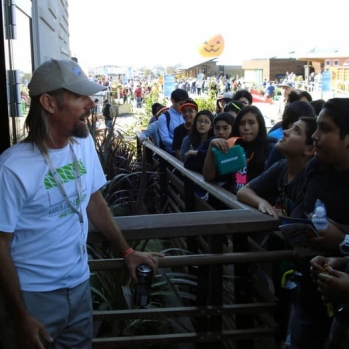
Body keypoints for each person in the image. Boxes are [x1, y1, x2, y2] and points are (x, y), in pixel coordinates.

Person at [0, 59, 162, 349]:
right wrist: (20, 315)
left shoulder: (82, 143)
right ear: (49, 103)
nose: (91, 103)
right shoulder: (12, 168)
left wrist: (126, 251)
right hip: (34, 296)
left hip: (79, 286)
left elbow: (92, 198)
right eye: (79, 97)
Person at [289, 98, 349, 348]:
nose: (315, 136)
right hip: (311, 292)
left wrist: (342, 238)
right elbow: (307, 214)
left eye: (324, 129)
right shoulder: (316, 167)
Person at [203, 106, 274, 193]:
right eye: (242, 123)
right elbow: (209, 177)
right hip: (232, 201)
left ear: (260, 126)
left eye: (251, 123)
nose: (246, 127)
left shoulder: (270, 148)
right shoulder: (233, 145)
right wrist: (211, 148)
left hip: (255, 204)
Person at [157, 88, 189, 154]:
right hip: (172, 154)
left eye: (185, 104)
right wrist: (182, 145)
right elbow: (165, 139)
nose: (183, 107)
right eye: (181, 104)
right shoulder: (163, 118)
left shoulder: (188, 115)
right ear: (173, 101)